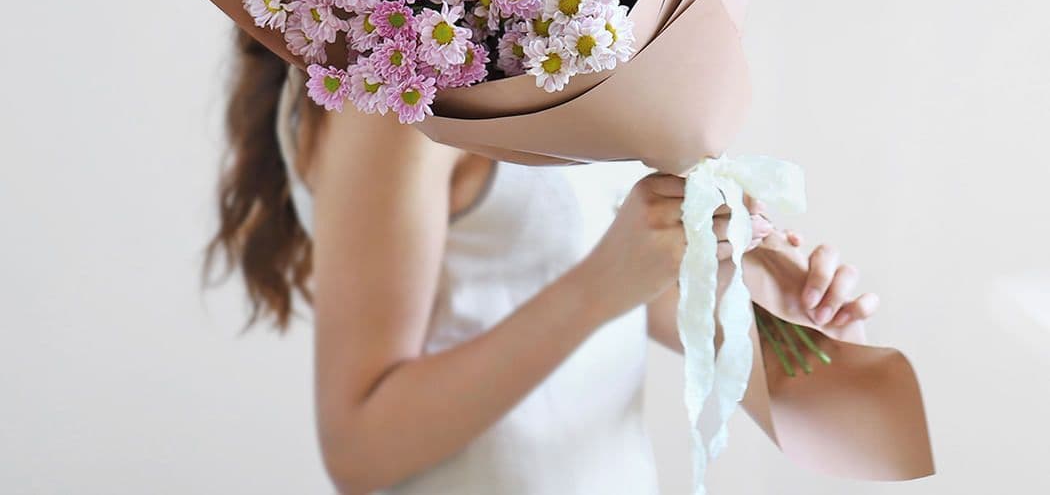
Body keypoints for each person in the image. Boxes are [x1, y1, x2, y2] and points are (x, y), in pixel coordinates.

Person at [203, 30, 880, 495]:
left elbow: (627, 287)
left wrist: (781, 320)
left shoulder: (548, 44)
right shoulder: (397, 100)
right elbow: (357, 446)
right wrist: (597, 288)